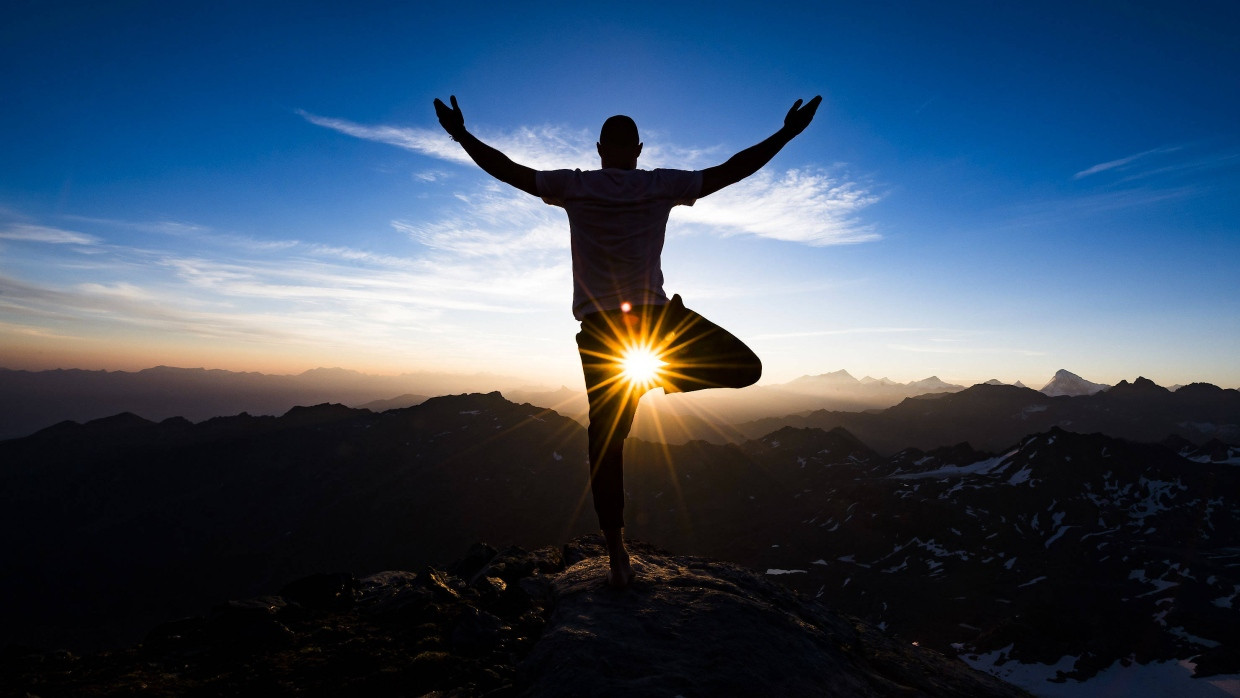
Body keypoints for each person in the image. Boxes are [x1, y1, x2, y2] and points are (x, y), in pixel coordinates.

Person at [433, 94, 821, 587]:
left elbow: (508, 170)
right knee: (746, 367)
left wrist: (461, 134)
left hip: (600, 334)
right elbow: (731, 170)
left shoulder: (574, 186)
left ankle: (617, 553)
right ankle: (657, 378)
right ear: (638, 148)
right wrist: (787, 133)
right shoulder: (660, 184)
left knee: (605, 442)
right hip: (657, 325)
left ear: (599, 148)